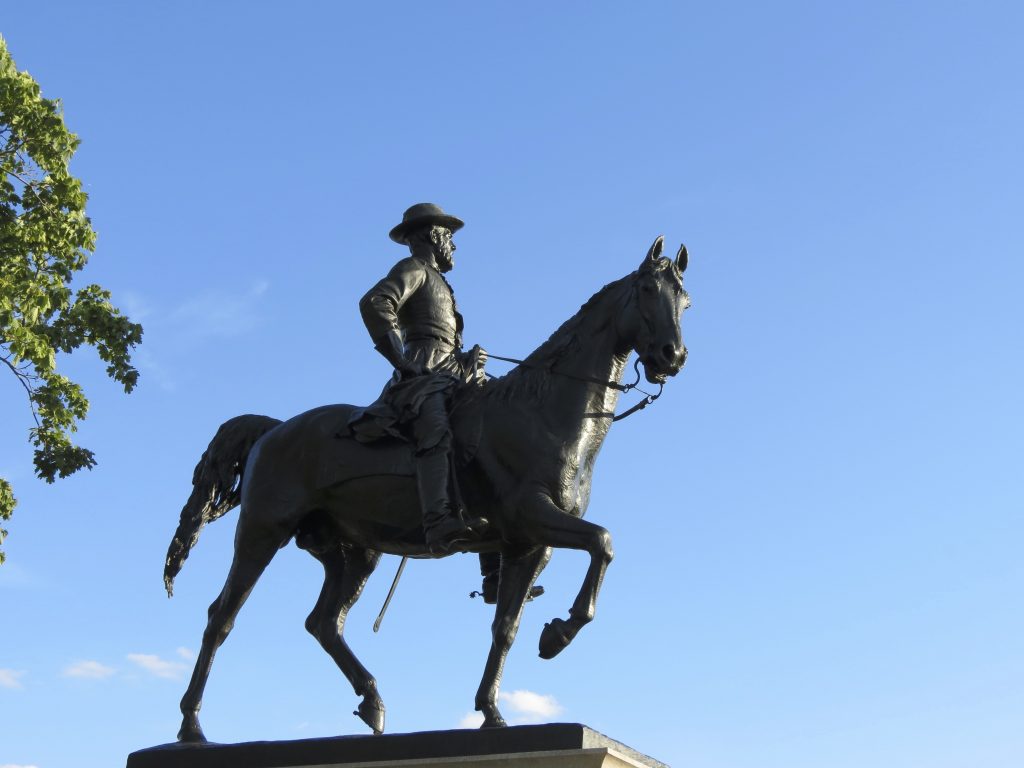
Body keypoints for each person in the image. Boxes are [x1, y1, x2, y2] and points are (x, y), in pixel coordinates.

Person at [353, 203, 488, 555]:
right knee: (436, 431)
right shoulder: (412, 268)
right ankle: (438, 522)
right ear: (431, 235)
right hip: (423, 373)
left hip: (452, 372)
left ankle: (493, 561)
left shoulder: (442, 282)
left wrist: (468, 360)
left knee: (496, 431)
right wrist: (400, 359)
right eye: (448, 236)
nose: (453, 245)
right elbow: (376, 302)